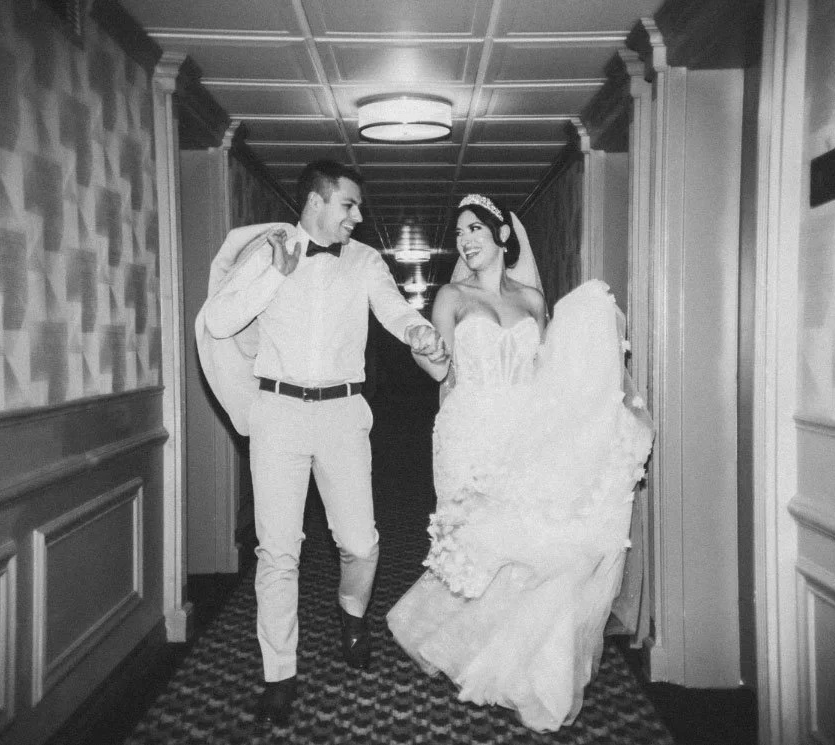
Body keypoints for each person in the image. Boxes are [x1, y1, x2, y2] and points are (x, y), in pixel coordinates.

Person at [386, 194, 654, 732]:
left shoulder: (532, 299)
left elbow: (553, 372)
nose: (465, 240)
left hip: (524, 430)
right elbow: (439, 369)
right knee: (483, 548)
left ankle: (524, 667)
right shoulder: (450, 295)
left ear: (502, 236)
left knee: (533, 545)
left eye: (476, 229)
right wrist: (427, 351)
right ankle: (480, 652)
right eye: (460, 232)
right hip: (467, 431)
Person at [195, 160, 447, 726]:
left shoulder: (364, 261)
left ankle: (351, 612)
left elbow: (393, 308)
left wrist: (419, 330)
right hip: (278, 414)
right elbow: (219, 321)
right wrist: (274, 274)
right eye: (348, 205)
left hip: (342, 415)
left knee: (361, 542)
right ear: (315, 201)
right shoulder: (269, 253)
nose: (358, 217)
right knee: (278, 551)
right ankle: (278, 675)